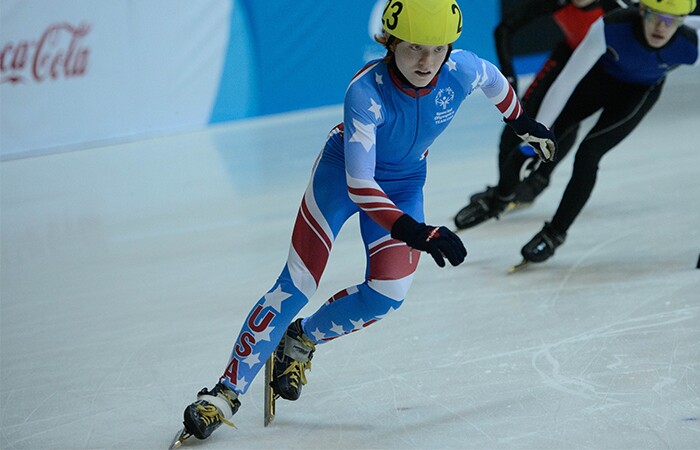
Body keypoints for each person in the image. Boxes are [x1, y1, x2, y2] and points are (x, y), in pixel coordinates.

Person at [177, 0, 556, 442]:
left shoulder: (461, 69)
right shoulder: (366, 90)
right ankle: (222, 394)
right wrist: (417, 231)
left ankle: (300, 341)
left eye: (438, 49)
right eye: (414, 48)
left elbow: (495, 82)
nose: (426, 62)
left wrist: (522, 122)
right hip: (342, 178)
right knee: (297, 283)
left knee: (388, 293)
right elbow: (360, 184)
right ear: (390, 41)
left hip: (404, 182)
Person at [453, 0, 700, 263]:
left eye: (671, 21)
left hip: (637, 96)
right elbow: (566, 81)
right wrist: (536, 132)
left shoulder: (692, 47)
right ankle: (499, 199)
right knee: (532, 143)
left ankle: (555, 233)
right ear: (641, 9)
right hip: (597, 81)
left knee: (588, 155)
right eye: (655, 16)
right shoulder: (610, 26)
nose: (661, 28)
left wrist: (675, 18)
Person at [464, 0, 632, 217]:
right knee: (517, 122)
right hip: (566, 55)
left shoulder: (617, 7)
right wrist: (509, 76)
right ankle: (506, 186)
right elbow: (504, 29)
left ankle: (538, 181)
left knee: (566, 122)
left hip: (599, 68)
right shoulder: (558, 2)